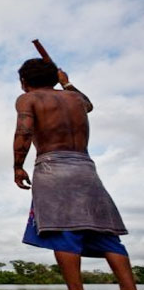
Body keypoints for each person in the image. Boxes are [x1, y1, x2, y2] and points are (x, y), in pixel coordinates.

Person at [13, 59, 137, 290]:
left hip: (52, 169)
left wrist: (17, 165)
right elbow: (89, 104)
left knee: (63, 231)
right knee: (106, 233)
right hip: (86, 169)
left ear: (24, 82)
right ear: (55, 79)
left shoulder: (28, 98)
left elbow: (24, 130)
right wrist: (67, 84)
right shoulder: (76, 99)